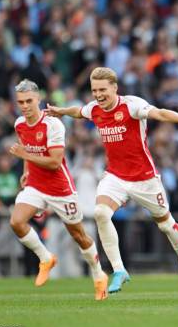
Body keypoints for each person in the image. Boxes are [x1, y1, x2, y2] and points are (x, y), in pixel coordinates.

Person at [47, 67, 178, 295]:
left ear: (115, 88)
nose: (98, 95)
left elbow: (159, 113)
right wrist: (61, 110)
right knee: (100, 213)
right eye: (94, 90)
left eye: (103, 90)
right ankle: (119, 270)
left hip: (145, 179)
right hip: (115, 176)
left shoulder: (131, 105)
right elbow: (79, 111)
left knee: (166, 225)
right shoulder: (94, 109)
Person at [8, 79, 108, 300]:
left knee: (79, 236)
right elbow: (27, 146)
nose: (24, 106)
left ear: (39, 100)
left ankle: (99, 275)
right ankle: (46, 258)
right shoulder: (19, 124)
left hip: (60, 189)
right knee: (16, 222)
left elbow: (54, 162)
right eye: (20, 102)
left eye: (28, 101)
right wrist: (26, 168)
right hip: (35, 184)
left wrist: (25, 156)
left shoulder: (53, 125)